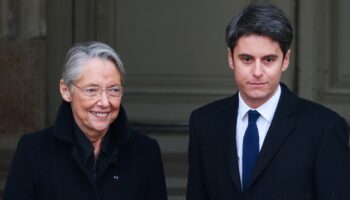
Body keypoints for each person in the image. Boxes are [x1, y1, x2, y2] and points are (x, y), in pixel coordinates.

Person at [186, 3, 350, 200]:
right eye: (246, 59)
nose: (257, 72)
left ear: (286, 60)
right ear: (231, 58)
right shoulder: (204, 123)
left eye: (268, 60)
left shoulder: (324, 127)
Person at [4, 41, 168, 200]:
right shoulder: (33, 151)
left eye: (114, 90)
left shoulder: (145, 152)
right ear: (66, 90)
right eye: (91, 90)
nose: (104, 102)